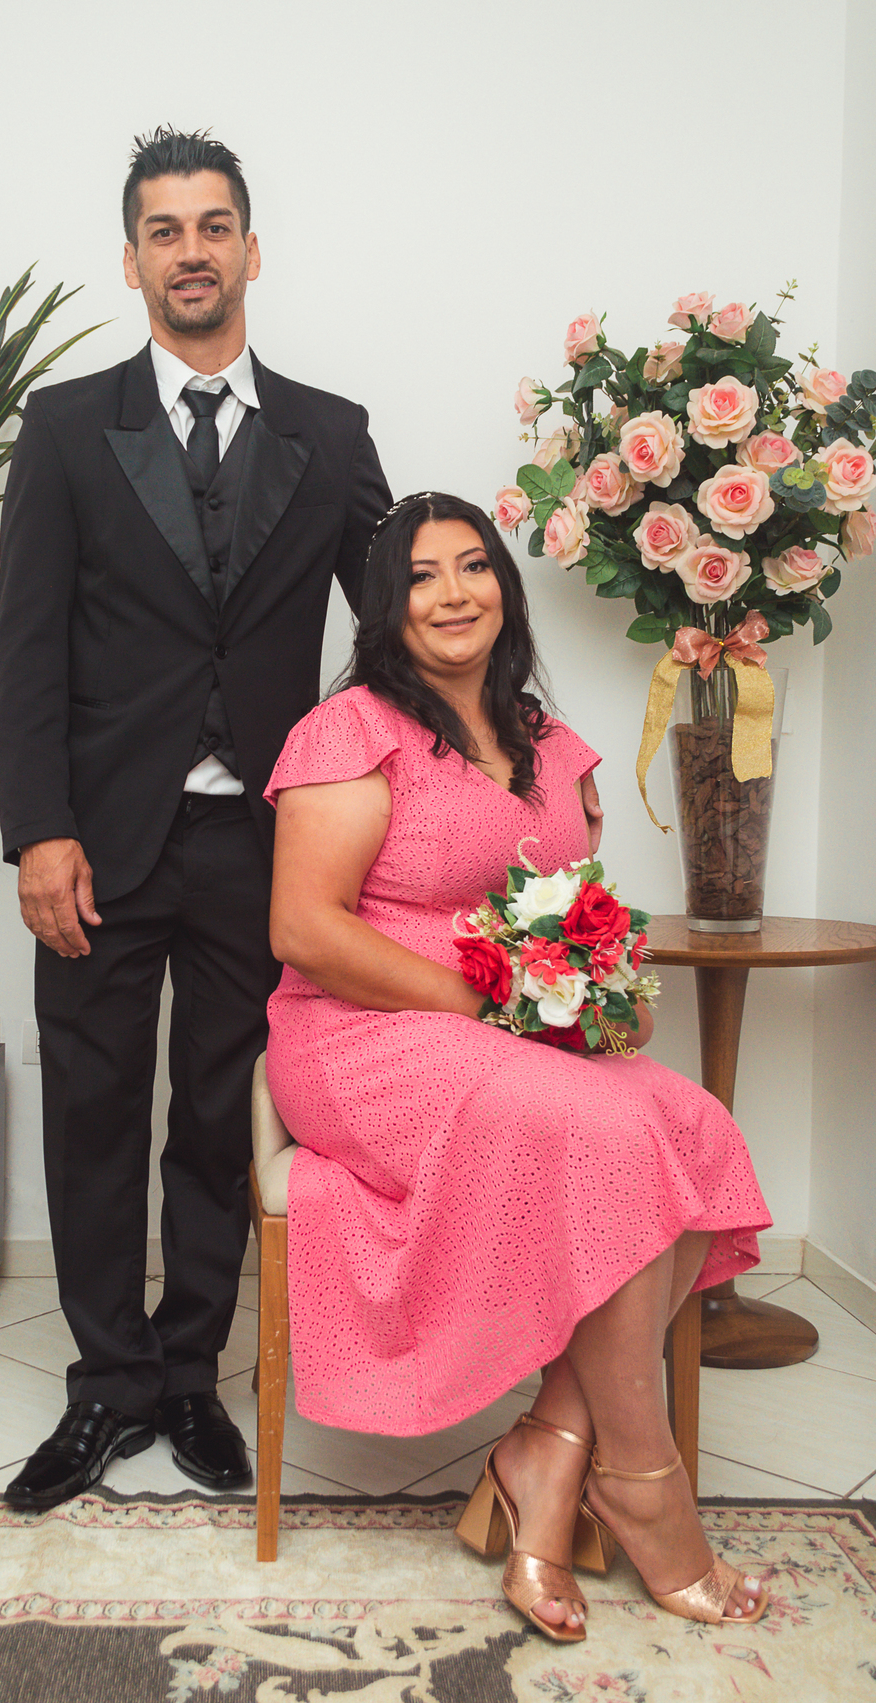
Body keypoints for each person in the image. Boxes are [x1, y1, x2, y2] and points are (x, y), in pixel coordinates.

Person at [263, 492, 772, 1641]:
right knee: (606, 1136)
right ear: (386, 607)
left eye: (473, 566)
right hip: (360, 1033)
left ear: (504, 584)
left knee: (689, 1123)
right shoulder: (350, 729)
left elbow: (566, 907)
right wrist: (478, 1002)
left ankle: (549, 1450)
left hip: (506, 1036)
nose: (453, 593)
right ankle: (645, 1486)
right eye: (422, 575)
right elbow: (303, 927)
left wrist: (595, 992)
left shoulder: (545, 740)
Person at [0, 128, 391, 1511]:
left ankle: (188, 1377)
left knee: (221, 1117)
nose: (192, 251)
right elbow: (29, 649)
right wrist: (39, 829)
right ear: (133, 262)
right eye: (165, 231)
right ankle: (105, 1382)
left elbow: (399, 628)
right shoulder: (63, 429)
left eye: (214, 225)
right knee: (94, 1110)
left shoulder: (330, 433)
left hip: (262, 848)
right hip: (97, 842)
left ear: (251, 249)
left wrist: (502, 743)